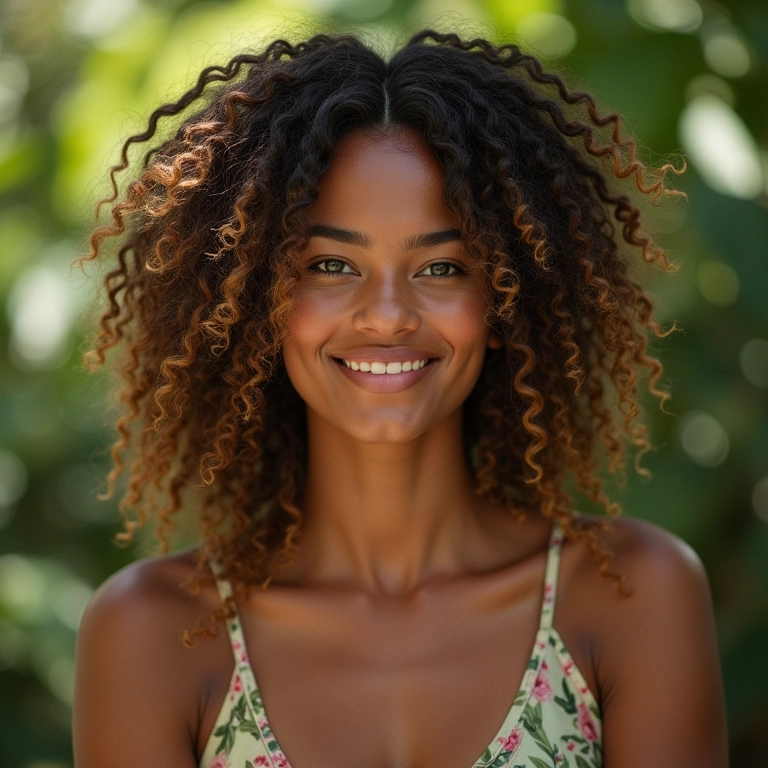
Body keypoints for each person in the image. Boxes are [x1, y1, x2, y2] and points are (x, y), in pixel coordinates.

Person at [71, 29, 728, 768]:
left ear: (506, 296)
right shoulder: (154, 632)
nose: (386, 316)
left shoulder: (630, 594)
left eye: (442, 267)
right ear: (256, 300)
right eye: (331, 265)